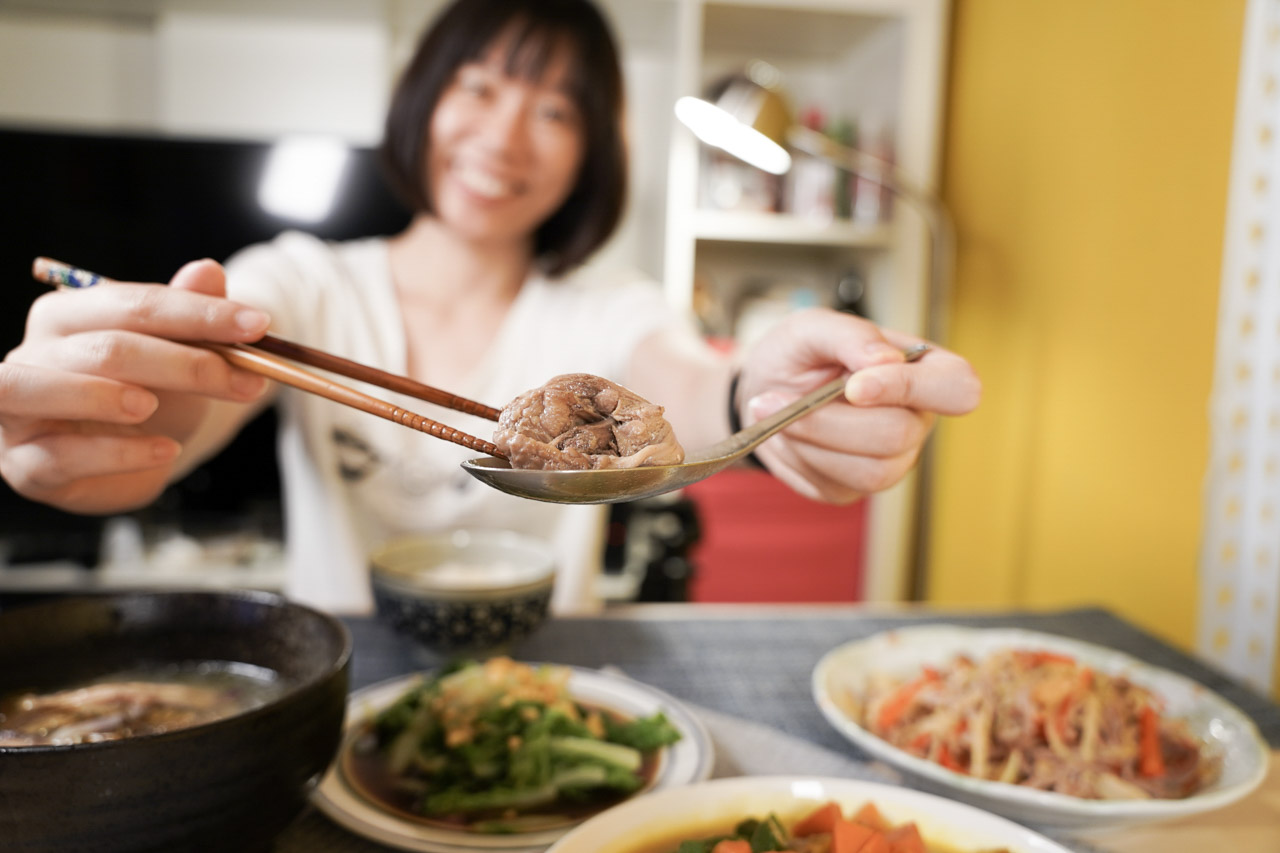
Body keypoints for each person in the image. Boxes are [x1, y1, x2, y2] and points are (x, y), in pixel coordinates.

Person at [0, 0, 980, 615]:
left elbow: (694, 381)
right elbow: (200, 394)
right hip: (341, 708)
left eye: (555, 109)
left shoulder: (608, 310)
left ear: (590, 149)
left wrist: (757, 397)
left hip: (557, 689)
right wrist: (116, 417)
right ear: (424, 100)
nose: (506, 135)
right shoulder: (302, 280)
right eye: (478, 86)